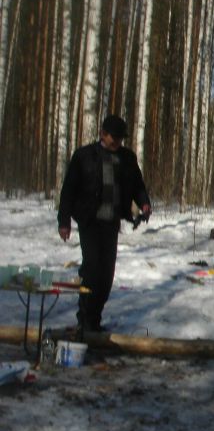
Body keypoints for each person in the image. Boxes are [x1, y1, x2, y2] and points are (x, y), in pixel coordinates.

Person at [57, 114, 151, 334]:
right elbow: (68, 190)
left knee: (106, 274)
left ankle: (94, 319)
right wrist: (64, 222)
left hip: (112, 222)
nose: (116, 142)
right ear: (102, 134)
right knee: (91, 269)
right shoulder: (84, 156)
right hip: (90, 221)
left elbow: (138, 185)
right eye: (113, 137)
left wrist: (144, 203)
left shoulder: (127, 158)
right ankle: (85, 320)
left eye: (120, 138)